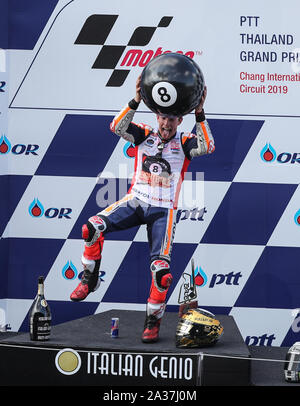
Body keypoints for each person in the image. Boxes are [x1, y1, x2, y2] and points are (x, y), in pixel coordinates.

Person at [70, 75, 215, 343]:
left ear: (179, 121)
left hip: (163, 211)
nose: (166, 123)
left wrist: (199, 113)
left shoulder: (184, 142)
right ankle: (90, 278)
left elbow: (208, 146)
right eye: (162, 117)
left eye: (172, 119)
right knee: (91, 227)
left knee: (161, 272)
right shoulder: (144, 134)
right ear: (156, 116)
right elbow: (116, 127)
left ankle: (153, 322)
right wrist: (136, 99)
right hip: (136, 201)